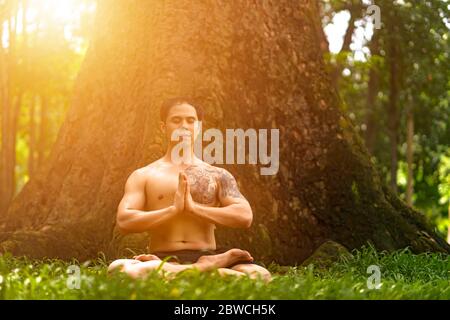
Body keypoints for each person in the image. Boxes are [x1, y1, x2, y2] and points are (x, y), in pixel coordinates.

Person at [108, 97, 271, 282]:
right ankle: (205, 267)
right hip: (164, 257)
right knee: (118, 269)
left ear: (199, 127)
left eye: (190, 120)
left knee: (261, 276)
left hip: (201, 253)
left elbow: (244, 216)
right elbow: (124, 221)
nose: (184, 126)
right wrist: (173, 210)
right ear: (163, 127)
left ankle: (183, 271)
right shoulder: (144, 175)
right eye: (176, 120)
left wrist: (194, 209)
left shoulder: (218, 174)